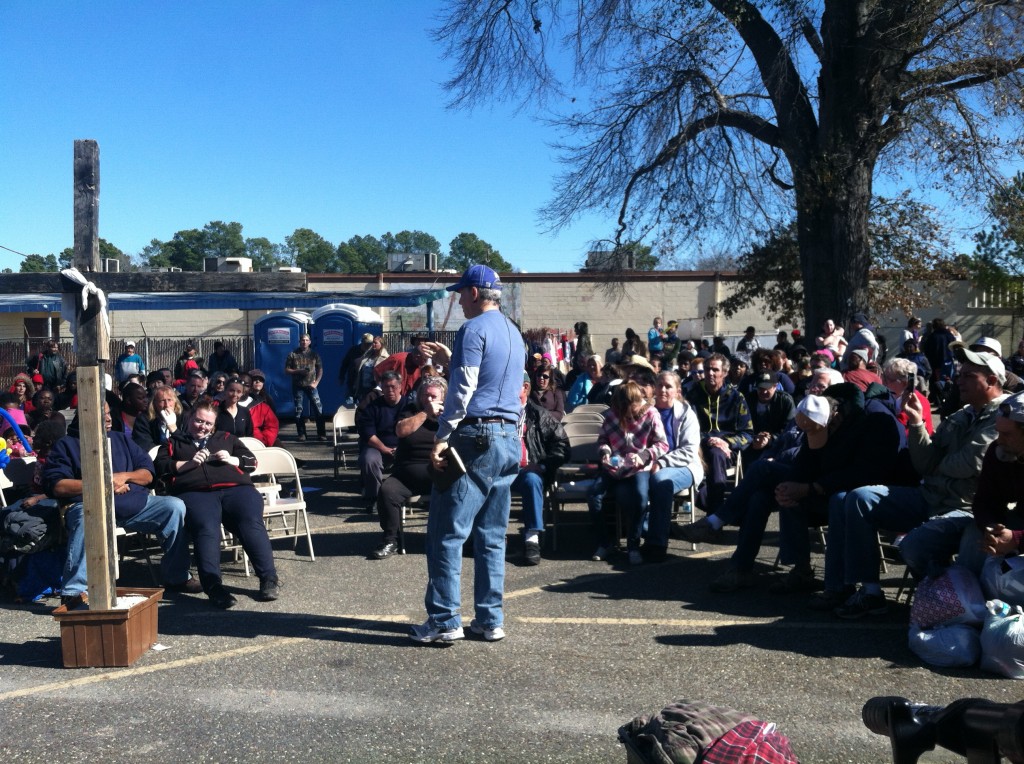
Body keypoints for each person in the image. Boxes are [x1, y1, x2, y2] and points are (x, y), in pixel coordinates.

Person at [815, 344, 1008, 617]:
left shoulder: (1004, 416)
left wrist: (937, 465)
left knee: (913, 546)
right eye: (960, 374)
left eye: (968, 376)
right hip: (930, 496)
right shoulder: (960, 415)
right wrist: (917, 424)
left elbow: (971, 462)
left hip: (963, 507)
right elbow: (924, 463)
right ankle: (870, 592)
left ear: (990, 381)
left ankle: (945, 599)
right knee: (859, 498)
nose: (958, 380)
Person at [410, 264, 523, 645]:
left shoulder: (472, 329)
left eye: (461, 293)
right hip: (509, 435)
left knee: (447, 531)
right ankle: (490, 620)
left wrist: (443, 434)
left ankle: (444, 620)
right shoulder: (513, 332)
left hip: (476, 434)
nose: (459, 299)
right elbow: (496, 381)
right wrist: (449, 360)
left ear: (475, 292)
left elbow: (464, 389)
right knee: (492, 534)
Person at [44, 403, 198, 612]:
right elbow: (57, 485)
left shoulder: (121, 438)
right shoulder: (67, 444)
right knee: (84, 518)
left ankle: (177, 576)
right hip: (87, 505)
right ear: (85, 416)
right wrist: (103, 484)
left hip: (133, 505)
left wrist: (124, 476)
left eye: (109, 414)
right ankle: (74, 591)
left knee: (174, 506)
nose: (108, 419)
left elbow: (148, 473)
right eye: (102, 415)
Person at [154, 401, 279, 608]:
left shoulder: (227, 438)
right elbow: (161, 468)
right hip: (196, 492)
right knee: (206, 527)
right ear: (189, 418)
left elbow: (251, 461)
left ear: (214, 425)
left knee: (250, 521)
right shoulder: (175, 442)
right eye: (198, 420)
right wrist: (189, 464)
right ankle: (213, 586)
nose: (202, 426)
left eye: (208, 423)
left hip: (236, 488)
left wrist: (233, 460)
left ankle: (269, 579)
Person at [587, 381, 668, 564]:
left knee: (640, 497)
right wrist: (605, 452)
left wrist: (645, 454)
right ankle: (605, 542)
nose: (629, 412)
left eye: (634, 405)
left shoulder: (650, 414)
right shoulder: (612, 414)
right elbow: (603, 439)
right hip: (614, 465)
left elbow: (662, 444)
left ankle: (633, 545)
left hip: (639, 465)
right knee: (593, 495)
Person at [372, 376, 448, 559]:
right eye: (425, 396)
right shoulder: (411, 411)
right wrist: (425, 413)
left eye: (433, 396)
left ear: (443, 397)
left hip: (440, 474)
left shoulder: (450, 415)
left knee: (462, 490)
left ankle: (455, 539)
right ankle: (391, 540)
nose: (428, 400)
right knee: (387, 491)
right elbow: (400, 431)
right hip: (406, 476)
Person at [643, 371, 704, 562]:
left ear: (678, 391)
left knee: (661, 482)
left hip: (683, 466)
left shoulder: (686, 414)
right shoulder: (645, 411)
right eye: (659, 385)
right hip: (647, 463)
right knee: (631, 486)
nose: (663, 389)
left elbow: (689, 451)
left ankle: (657, 544)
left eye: (668, 386)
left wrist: (661, 463)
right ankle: (661, 529)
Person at [684, 353, 753, 517]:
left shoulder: (736, 398)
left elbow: (748, 433)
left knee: (716, 454)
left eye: (715, 370)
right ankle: (722, 512)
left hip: (725, 451)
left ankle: (714, 519)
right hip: (696, 446)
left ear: (725, 373)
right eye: (707, 369)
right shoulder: (692, 394)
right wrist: (707, 440)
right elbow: (685, 427)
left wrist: (727, 442)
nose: (710, 373)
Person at [512, 372, 570, 565]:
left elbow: (562, 446)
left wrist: (543, 465)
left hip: (527, 470)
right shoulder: (496, 414)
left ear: (525, 388)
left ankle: (531, 538)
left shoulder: (540, 415)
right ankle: (484, 537)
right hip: (500, 469)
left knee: (532, 480)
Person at [355, 370, 403, 509]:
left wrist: (400, 449)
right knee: (368, 460)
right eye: (386, 386)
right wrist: (384, 449)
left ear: (400, 386)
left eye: (393, 386)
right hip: (377, 447)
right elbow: (368, 434)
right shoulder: (372, 407)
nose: (390, 390)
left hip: (403, 447)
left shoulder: (409, 405)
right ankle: (374, 497)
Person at [744, 370, 796, 466]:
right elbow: (741, 424)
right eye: (760, 388)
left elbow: (790, 428)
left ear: (775, 386)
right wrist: (754, 439)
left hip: (777, 445)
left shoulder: (785, 401)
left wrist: (770, 438)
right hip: (751, 442)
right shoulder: (747, 400)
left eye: (767, 388)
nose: (763, 391)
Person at [285, 333, 326, 441]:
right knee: (299, 410)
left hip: (311, 386)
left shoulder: (314, 354)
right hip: (298, 386)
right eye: (303, 340)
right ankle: (302, 434)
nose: (304, 342)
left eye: (307, 340)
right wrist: (298, 371)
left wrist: (316, 382)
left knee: (318, 409)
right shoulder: (293, 354)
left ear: (310, 342)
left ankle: (321, 434)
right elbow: (287, 370)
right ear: (300, 341)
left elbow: (320, 369)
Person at [246, 369, 280, 447]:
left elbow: (272, 422)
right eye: (255, 379)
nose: (258, 381)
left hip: (263, 439)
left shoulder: (267, 399)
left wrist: (264, 440)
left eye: (261, 380)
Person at [352, 335, 390, 403]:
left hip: (375, 390)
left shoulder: (385, 359)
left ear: (381, 345)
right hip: (363, 389)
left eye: (376, 343)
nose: (373, 344)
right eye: (373, 342)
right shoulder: (367, 355)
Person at [340, 332, 375, 400]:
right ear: (362, 342)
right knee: (349, 405)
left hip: (366, 386)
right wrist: (341, 377)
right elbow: (345, 364)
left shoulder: (373, 352)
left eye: (370, 344)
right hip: (352, 383)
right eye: (366, 343)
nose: (368, 345)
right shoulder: (353, 350)